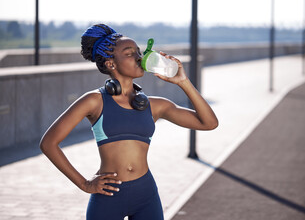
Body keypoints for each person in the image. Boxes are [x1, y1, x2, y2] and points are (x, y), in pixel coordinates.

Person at [40, 23, 218, 220]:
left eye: (138, 51)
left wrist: (183, 81)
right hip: (108, 197)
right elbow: (49, 143)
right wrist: (84, 184)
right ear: (111, 63)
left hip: (146, 194)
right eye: (129, 53)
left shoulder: (154, 105)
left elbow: (209, 123)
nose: (139, 57)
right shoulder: (93, 101)